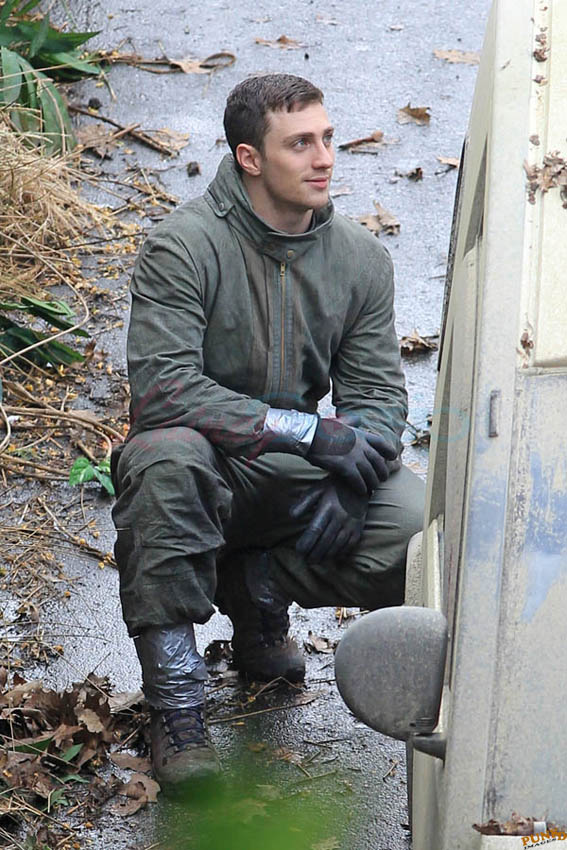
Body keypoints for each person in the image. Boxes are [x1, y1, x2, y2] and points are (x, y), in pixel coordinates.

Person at [111, 73, 425, 793]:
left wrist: (356, 477)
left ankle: (254, 591)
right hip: (207, 465)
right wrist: (307, 433)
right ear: (249, 158)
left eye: (328, 139)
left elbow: (378, 398)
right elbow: (163, 389)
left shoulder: (358, 259)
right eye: (300, 144)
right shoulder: (183, 246)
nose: (325, 159)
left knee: (416, 532)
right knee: (162, 462)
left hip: (287, 473)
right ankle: (178, 710)